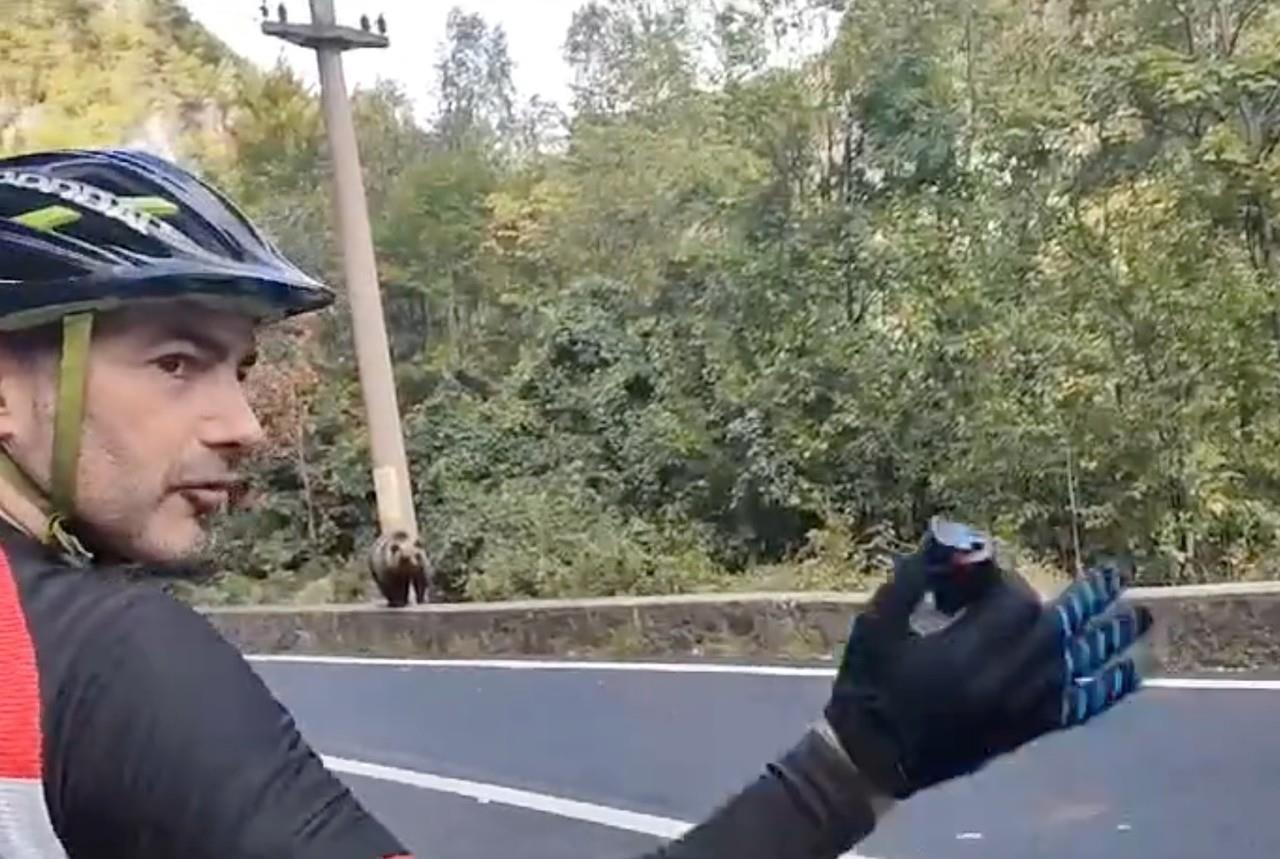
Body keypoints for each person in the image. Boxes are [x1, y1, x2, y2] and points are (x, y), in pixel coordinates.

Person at [0, 148, 1152, 858]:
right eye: (176, 363)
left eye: (240, 368)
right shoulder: (104, 662)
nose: (244, 422)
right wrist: (849, 767)